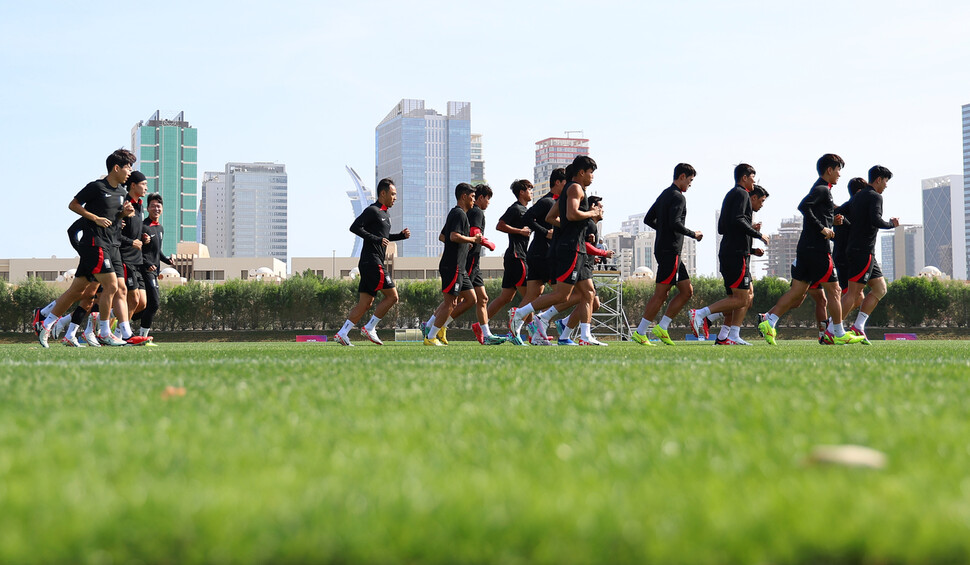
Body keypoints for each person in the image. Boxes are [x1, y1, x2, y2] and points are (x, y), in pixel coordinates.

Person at [37, 149, 140, 348]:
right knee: (112, 286)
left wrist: (122, 215)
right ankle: (104, 331)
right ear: (116, 168)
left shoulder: (121, 192)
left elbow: (111, 219)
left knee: (77, 291)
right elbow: (73, 205)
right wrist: (94, 218)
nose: (130, 172)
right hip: (94, 243)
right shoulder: (96, 187)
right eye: (128, 167)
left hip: (110, 245)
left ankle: (47, 323)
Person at [757, 154, 863, 345]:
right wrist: (823, 228)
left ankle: (769, 321)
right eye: (838, 170)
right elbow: (804, 206)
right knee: (835, 290)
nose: (839, 174)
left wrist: (831, 221)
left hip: (805, 248)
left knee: (797, 291)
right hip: (817, 250)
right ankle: (836, 333)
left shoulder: (822, 189)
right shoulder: (822, 189)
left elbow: (815, 212)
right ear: (829, 170)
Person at [510, 155, 603, 345]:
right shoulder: (576, 188)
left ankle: (585, 336)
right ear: (581, 172)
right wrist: (591, 214)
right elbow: (572, 213)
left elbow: (552, 217)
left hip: (576, 246)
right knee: (563, 295)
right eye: (591, 173)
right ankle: (520, 314)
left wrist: (568, 227)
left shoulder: (567, 191)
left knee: (588, 293)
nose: (592, 177)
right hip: (571, 248)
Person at [689, 164, 768, 345]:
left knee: (744, 297)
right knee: (742, 298)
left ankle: (728, 335)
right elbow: (739, 220)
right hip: (735, 254)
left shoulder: (732, 195)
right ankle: (701, 314)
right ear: (745, 178)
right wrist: (757, 234)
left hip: (732, 252)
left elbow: (724, 227)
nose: (754, 182)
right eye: (752, 178)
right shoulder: (741, 194)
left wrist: (751, 242)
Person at [632, 163, 703, 346]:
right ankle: (640, 332)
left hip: (667, 250)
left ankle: (662, 327)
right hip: (670, 250)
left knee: (687, 291)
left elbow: (649, 219)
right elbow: (675, 223)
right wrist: (693, 234)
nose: (690, 184)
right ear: (681, 176)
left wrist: (663, 229)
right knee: (661, 294)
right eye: (690, 180)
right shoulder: (678, 197)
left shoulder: (664, 194)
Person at [335, 178, 410, 346]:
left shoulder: (386, 214)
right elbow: (354, 227)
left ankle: (342, 333)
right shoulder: (373, 210)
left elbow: (384, 237)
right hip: (372, 261)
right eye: (393, 194)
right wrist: (376, 239)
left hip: (370, 263)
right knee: (392, 297)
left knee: (366, 303)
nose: (395, 197)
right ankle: (369, 327)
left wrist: (400, 236)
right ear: (383, 193)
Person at [840, 166, 898, 345]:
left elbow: (838, 211)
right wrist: (891, 224)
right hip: (862, 251)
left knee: (880, 288)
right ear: (879, 179)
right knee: (854, 293)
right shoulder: (875, 196)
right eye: (886, 181)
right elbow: (875, 220)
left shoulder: (857, 196)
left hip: (864, 251)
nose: (886, 186)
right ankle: (832, 328)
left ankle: (858, 326)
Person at [423, 183, 480, 346]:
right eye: (472, 197)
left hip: (460, 267)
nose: (474, 201)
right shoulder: (459, 214)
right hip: (452, 265)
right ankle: (431, 336)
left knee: (470, 299)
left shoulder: (459, 215)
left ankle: (441, 326)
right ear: (463, 197)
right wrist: (470, 240)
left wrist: (463, 244)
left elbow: (443, 236)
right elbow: (453, 236)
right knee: (451, 302)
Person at [451, 184, 505, 345]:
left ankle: (486, 333)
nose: (488, 203)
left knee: (483, 298)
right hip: (470, 260)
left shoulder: (473, 211)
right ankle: (434, 324)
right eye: (487, 199)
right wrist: (488, 243)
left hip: (474, 261)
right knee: (457, 298)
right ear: (481, 198)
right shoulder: (477, 212)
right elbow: (474, 232)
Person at [518, 168, 566, 335]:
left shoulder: (559, 202)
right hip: (542, 254)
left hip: (539, 253)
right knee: (563, 294)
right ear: (558, 183)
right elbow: (526, 218)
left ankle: (518, 329)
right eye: (566, 182)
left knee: (533, 294)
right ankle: (542, 321)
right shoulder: (547, 202)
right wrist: (545, 232)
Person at [485, 180, 533, 344]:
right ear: (521, 192)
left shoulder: (525, 210)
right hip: (516, 256)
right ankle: (530, 332)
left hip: (514, 257)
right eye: (529, 189)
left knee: (505, 297)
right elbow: (500, 225)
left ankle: (480, 324)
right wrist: (520, 231)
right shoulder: (515, 209)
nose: (531, 192)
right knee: (530, 296)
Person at [131, 192, 174, 341]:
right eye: (153, 206)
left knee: (146, 306)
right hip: (144, 270)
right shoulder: (143, 227)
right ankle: (143, 336)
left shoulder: (160, 228)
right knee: (154, 303)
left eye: (159, 206)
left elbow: (157, 251)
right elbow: (138, 250)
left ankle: (121, 317)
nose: (156, 208)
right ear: (147, 208)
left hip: (155, 271)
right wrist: (148, 264)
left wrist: (168, 261)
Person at [117, 171, 149, 340]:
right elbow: (115, 234)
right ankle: (121, 334)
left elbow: (135, 229)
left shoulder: (139, 206)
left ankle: (117, 330)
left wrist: (143, 236)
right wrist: (131, 242)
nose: (146, 187)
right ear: (133, 185)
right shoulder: (124, 205)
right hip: (125, 258)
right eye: (144, 184)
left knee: (142, 302)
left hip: (138, 261)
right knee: (134, 299)